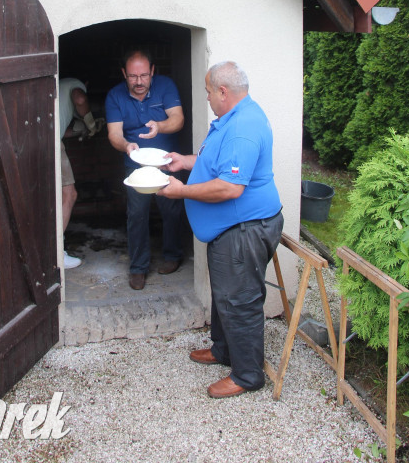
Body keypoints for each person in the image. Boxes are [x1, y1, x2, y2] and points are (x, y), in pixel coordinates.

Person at [159, 61, 283, 398]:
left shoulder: (243, 126)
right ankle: (223, 350)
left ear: (223, 92)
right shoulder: (234, 117)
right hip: (230, 230)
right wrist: (185, 162)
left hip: (244, 230)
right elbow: (218, 161)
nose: (208, 98)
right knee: (226, 294)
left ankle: (247, 375)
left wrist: (180, 189)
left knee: (239, 300)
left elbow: (230, 187)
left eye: (209, 92)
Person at [105, 49, 185, 290]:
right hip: (135, 163)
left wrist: (159, 126)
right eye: (132, 76)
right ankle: (138, 268)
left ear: (152, 71)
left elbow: (178, 119)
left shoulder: (166, 86)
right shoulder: (114, 96)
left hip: (167, 161)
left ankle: (173, 256)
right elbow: (114, 134)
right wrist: (126, 146)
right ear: (123, 74)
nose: (138, 82)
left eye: (143, 75)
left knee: (171, 209)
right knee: (137, 215)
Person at [59, 77, 104, 269]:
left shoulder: (58, 88)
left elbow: (63, 131)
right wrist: (92, 123)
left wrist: (83, 130)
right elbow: (80, 100)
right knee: (69, 194)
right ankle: (56, 254)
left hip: (40, 138)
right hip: (51, 144)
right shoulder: (75, 85)